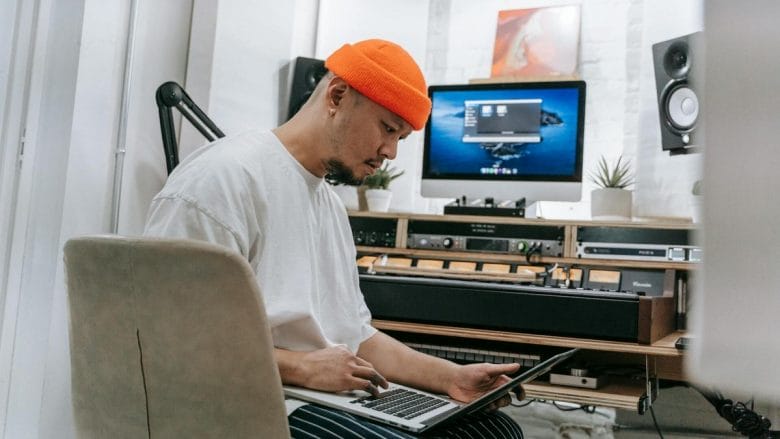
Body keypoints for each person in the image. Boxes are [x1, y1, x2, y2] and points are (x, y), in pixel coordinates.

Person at [144, 39, 525, 438]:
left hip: (326, 395)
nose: (390, 152)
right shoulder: (222, 178)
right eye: (388, 128)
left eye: (401, 139)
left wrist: (452, 378)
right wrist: (302, 366)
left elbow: (355, 336)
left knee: (496, 432)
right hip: (251, 401)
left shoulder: (327, 204)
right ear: (338, 96)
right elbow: (167, 337)